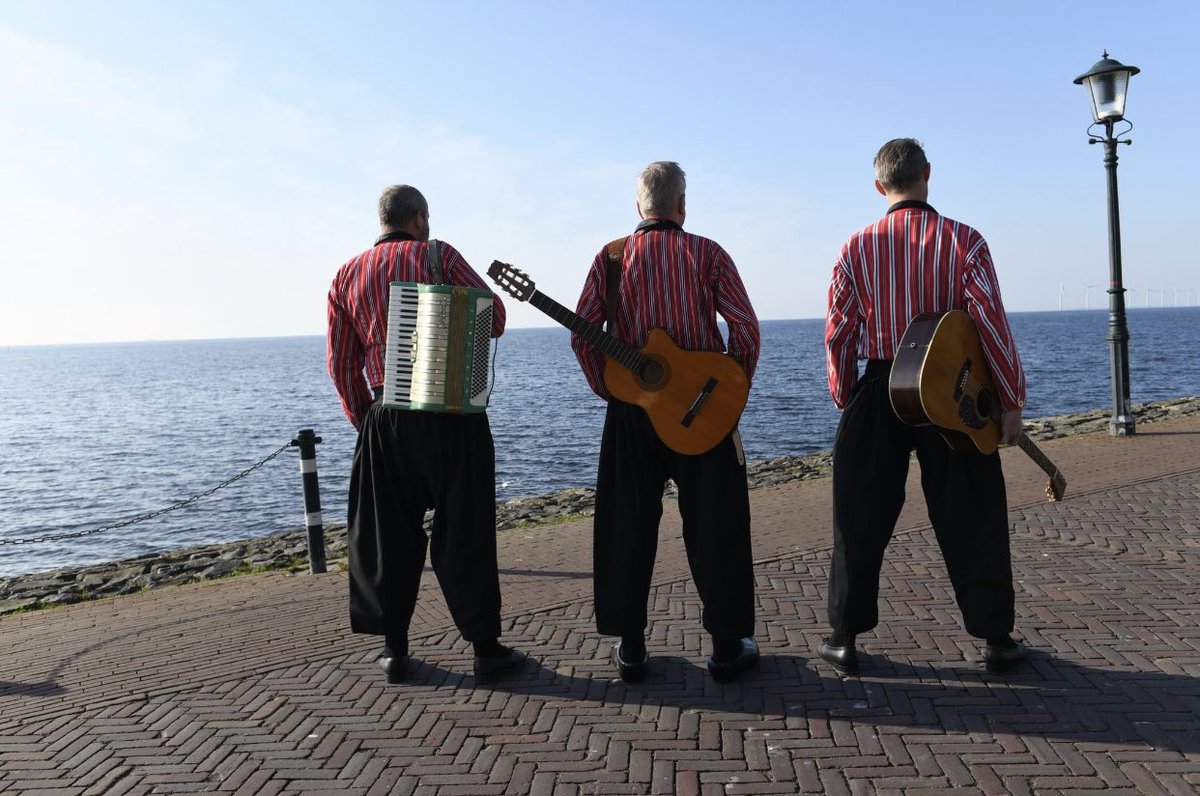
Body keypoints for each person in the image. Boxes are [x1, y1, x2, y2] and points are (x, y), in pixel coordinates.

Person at [821, 138, 1029, 675]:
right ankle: (996, 638)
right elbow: (990, 325)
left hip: (881, 384)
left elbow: (840, 333)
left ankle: (844, 637)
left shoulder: (856, 246)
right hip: (948, 392)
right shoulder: (965, 241)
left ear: (878, 186)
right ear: (927, 174)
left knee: (859, 516)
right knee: (974, 512)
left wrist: (848, 395)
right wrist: (1009, 400)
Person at [571, 161, 762, 684]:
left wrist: (612, 389)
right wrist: (728, 398)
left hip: (633, 414)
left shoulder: (611, 258)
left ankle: (631, 647)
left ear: (639, 207)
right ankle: (727, 646)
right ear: (682, 205)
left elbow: (583, 334)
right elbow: (744, 328)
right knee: (717, 525)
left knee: (625, 525)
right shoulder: (708, 253)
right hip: (705, 410)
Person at [326, 184, 524, 684]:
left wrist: (366, 420)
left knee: (387, 535)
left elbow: (341, 362)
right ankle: (485, 649)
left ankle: (394, 650)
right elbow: (495, 319)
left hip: (385, 414)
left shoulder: (346, 274)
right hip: (450, 411)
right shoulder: (440, 255)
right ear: (418, 218)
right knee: (466, 531)